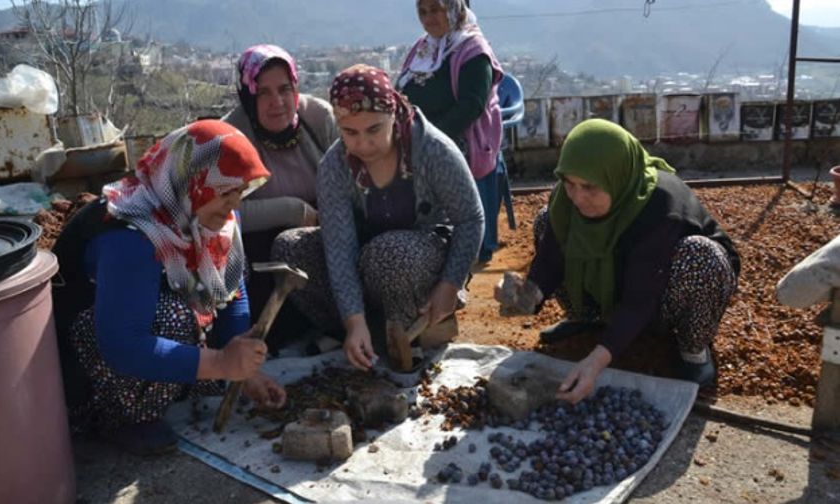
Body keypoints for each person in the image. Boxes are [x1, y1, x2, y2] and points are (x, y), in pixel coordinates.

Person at [52, 120, 286, 455]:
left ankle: (173, 385)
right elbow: (123, 343)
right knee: (175, 316)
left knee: (187, 313)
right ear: (191, 183)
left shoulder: (208, 218)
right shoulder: (130, 233)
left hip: (141, 347)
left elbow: (232, 289)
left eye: (240, 192)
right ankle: (121, 418)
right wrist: (220, 363)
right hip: (87, 366)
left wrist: (242, 372)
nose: (234, 205)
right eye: (224, 193)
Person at [495, 119, 740, 403]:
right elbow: (552, 258)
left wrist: (596, 362)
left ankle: (693, 349)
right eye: (569, 183)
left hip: (665, 295)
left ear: (617, 177)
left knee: (700, 258)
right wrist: (524, 295)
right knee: (547, 219)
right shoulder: (567, 199)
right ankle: (589, 318)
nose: (577, 197)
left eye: (590, 187)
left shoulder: (660, 206)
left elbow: (642, 297)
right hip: (621, 280)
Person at [271, 64, 484, 370]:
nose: (362, 144)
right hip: (364, 260)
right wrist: (352, 320)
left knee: (389, 253)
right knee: (290, 249)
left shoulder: (433, 149)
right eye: (349, 133)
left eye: (374, 130)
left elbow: (470, 219)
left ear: (393, 115)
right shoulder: (335, 166)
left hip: (419, 260)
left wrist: (450, 284)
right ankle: (358, 331)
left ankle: (410, 332)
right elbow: (340, 249)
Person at [223, 44, 338, 347]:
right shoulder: (232, 135)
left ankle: (337, 324)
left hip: (326, 230)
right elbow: (225, 215)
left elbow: (350, 182)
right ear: (248, 95)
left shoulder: (318, 118)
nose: (277, 102)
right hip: (260, 246)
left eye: (285, 89)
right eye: (263, 93)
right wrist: (294, 212)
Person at [397, 0, 503, 263]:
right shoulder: (422, 49)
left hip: (458, 138)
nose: (428, 18)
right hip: (419, 136)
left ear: (455, 10)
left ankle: (462, 249)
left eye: (436, 9)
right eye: (422, 11)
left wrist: (429, 138)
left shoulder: (473, 51)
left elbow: (472, 105)